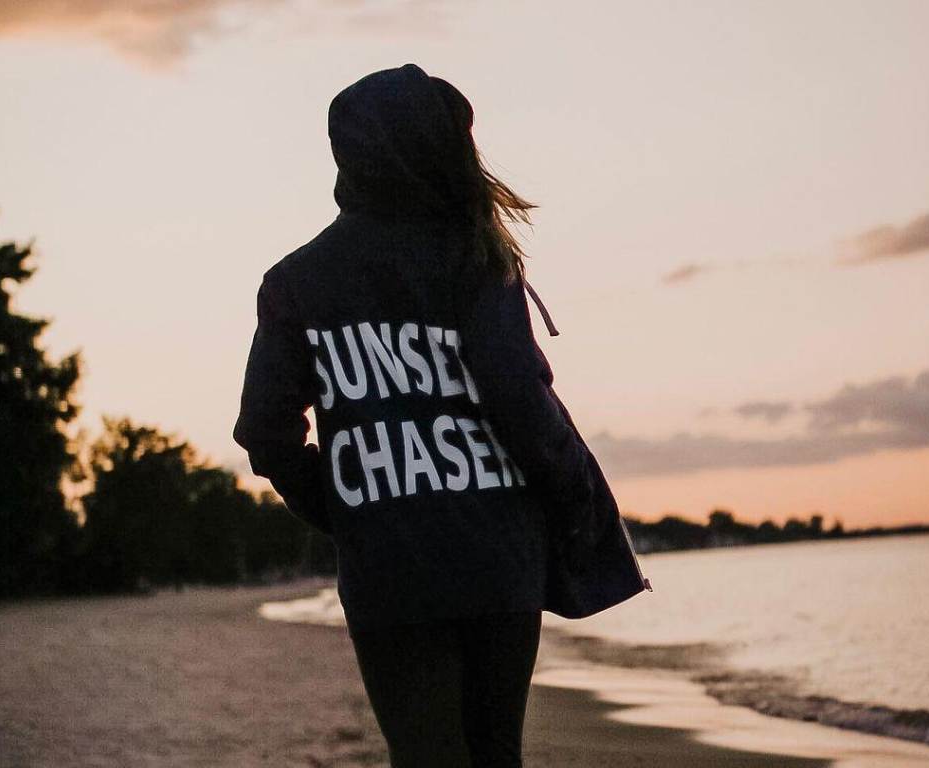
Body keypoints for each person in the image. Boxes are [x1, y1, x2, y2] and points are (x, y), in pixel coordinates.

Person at [233, 63, 647, 768]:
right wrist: (574, 502)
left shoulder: (297, 281)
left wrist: (352, 507)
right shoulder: (477, 258)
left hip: (390, 563)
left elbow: (265, 434)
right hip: (496, 551)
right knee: (495, 754)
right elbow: (523, 402)